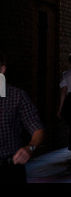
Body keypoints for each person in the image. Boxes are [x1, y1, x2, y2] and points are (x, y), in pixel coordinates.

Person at [0, 52, 45, 183]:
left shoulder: (17, 96)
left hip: (9, 168)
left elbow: (38, 130)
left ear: (2, 69)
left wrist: (29, 148)